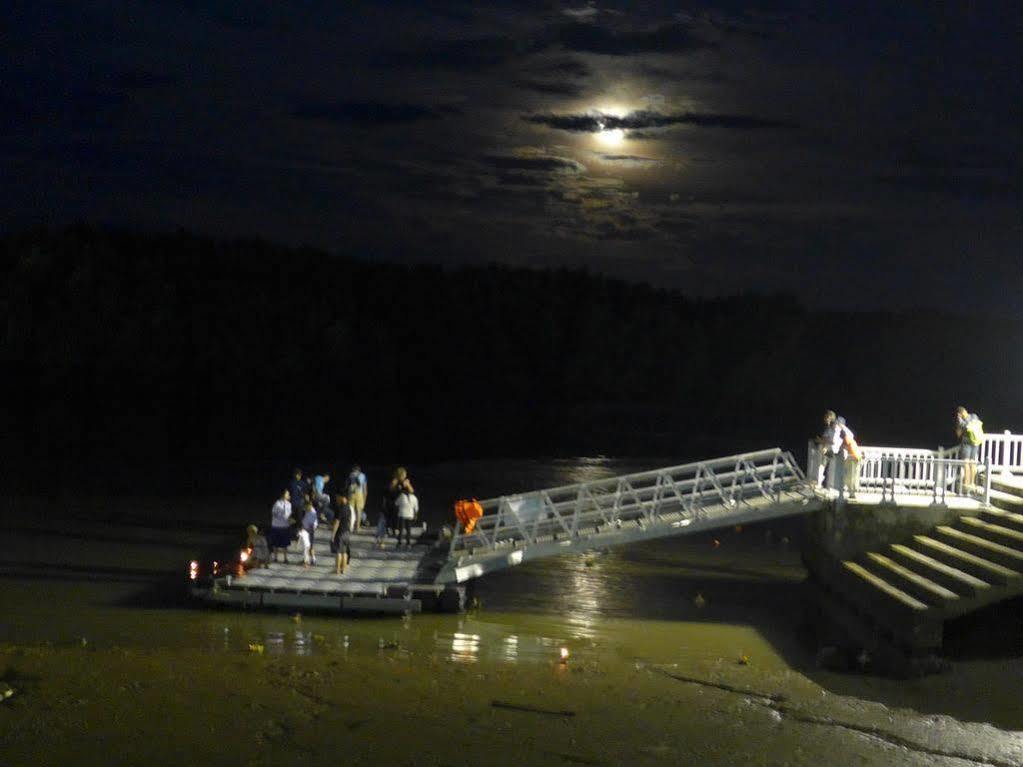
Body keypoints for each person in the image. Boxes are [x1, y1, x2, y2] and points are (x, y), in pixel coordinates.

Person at [955, 406, 984, 487]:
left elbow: (958, 434)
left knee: (966, 463)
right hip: (975, 442)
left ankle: (966, 483)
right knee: (973, 462)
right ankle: (972, 483)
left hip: (966, 443)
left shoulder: (962, 421)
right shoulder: (974, 416)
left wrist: (959, 421)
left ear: (960, 414)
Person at [331, 493, 355, 574]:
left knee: (338, 552)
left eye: (338, 497)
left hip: (340, 532)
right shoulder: (349, 508)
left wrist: (333, 534)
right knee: (344, 552)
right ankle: (343, 569)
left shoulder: (340, 508)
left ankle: (337, 569)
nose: (337, 499)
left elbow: (337, 522)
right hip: (347, 532)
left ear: (343, 497)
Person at [387, 467, 414, 536]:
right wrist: (394, 484)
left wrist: (408, 485)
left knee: (401, 517)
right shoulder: (394, 481)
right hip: (394, 501)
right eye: (404, 474)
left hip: (403, 502)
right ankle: (393, 529)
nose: (405, 476)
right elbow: (390, 490)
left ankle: (399, 529)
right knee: (394, 516)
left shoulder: (406, 481)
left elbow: (412, 491)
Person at [269, 489, 293, 563]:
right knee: (275, 543)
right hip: (276, 526)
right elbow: (273, 513)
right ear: (283, 495)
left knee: (285, 544)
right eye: (287, 494)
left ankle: (285, 558)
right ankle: (275, 558)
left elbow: (289, 514)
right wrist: (280, 516)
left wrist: (290, 520)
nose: (289, 495)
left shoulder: (289, 504)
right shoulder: (277, 503)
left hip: (285, 526)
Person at [347, 465, 368, 531]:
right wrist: (365, 497)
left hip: (351, 492)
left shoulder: (351, 475)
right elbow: (365, 488)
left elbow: (347, 485)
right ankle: (357, 527)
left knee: (351, 510)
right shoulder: (363, 476)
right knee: (358, 511)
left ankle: (350, 526)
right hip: (359, 493)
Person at [301, 499, 319, 566]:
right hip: (306, 530)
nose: (305, 508)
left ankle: (312, 559)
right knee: (307, 546)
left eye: (306, 506)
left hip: (309, 531)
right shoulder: (307, 511)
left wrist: (308, 528)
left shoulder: (312, 512)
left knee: (309, 546)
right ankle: (308, 559)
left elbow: (313, 524)